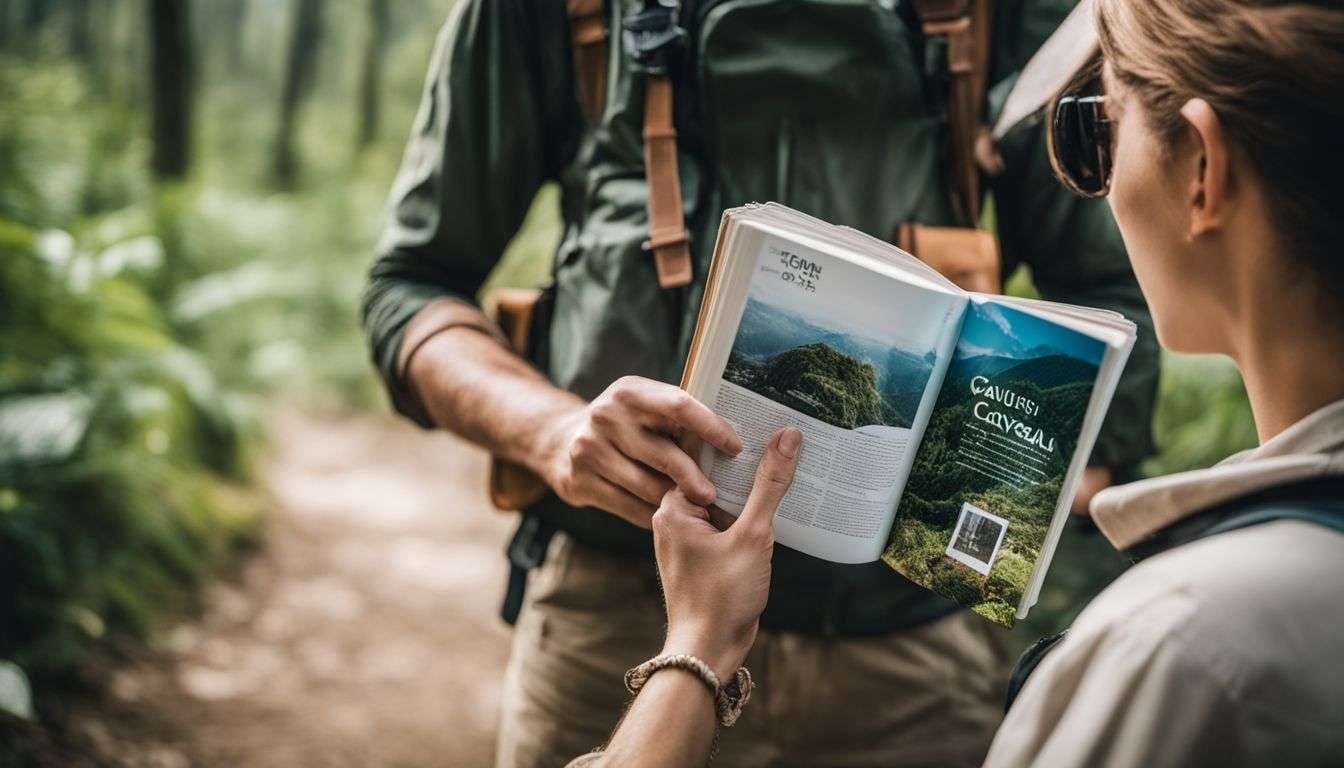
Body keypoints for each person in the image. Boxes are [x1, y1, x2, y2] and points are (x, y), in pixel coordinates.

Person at [362, 1, 1159, 765]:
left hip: (908, 659)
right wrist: (553, 433)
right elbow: (411, 288)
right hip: (616, 619)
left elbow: (1118, 299)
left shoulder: (1012, 12)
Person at [568, 0, 1344, 764]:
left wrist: (695, 649)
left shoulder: (1176, 648)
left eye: (1097, 128)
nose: (1100, 185)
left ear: (1202, 169)